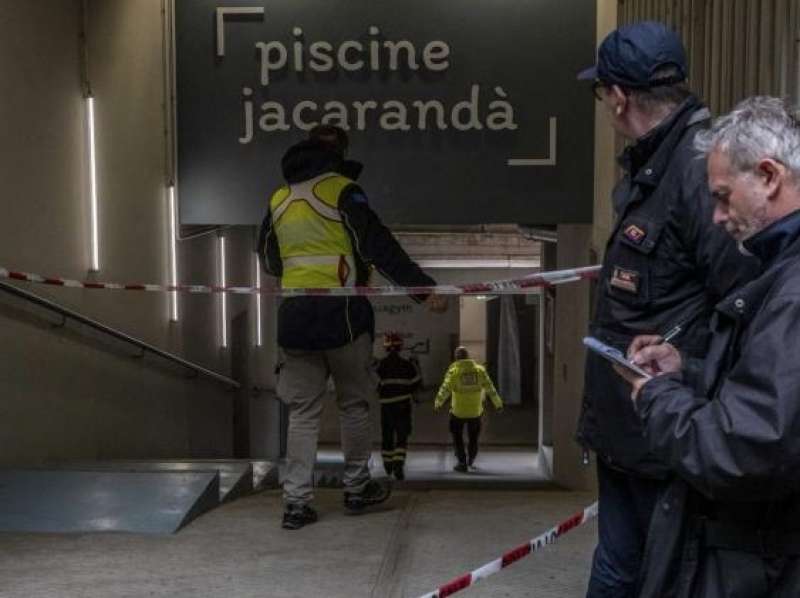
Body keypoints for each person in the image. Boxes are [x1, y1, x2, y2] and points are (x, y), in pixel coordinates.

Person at [575, 21, 759, 597]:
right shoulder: (657, 164)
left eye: (603, 92)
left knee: (650, 576)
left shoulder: (699, 172)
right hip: (633, 427)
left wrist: (684, 365)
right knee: (619, 566)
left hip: (667, 429)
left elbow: (744, 300)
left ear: (618, 96)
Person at [615, 96, 800, 598]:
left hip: (763, 564)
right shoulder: (776, 272)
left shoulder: (791, 290)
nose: (716, 217)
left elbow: (743, 448)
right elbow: (774, 395)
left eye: (722, 197)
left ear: (768, 176)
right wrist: (690, 370)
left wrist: (657, 397)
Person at [258, 124, 447, 530]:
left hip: (294, 317)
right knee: (353, 402)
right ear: (340, 154)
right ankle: (357, 488)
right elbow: (377, 245)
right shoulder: (342, 191)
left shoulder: (279, 199)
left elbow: (271, 261)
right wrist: (422, 290)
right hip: (342, 313)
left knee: (303, 412)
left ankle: (296, 503)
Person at [434, 347, 503, 472]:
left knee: (457, 437)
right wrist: (498, 404)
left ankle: (462, 462)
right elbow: (490, 389)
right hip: (475, 412)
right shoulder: (480, 371)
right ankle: (471, 459)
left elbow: (445, 389)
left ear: (456, 358)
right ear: (468, 357)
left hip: (457, 412)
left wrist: (438, 403)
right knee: (473, 438)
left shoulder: (454, 372)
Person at [376, 331, 422, 480]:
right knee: (402, 436)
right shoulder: (407, 365)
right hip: (403, 406)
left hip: (386, 407)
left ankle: (388, 465)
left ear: (386, 348)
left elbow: (374, 384)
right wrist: (416, 365)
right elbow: (417, 383)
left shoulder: (380, 365)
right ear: (400, 347)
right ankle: (398, 464)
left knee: (387, 436)